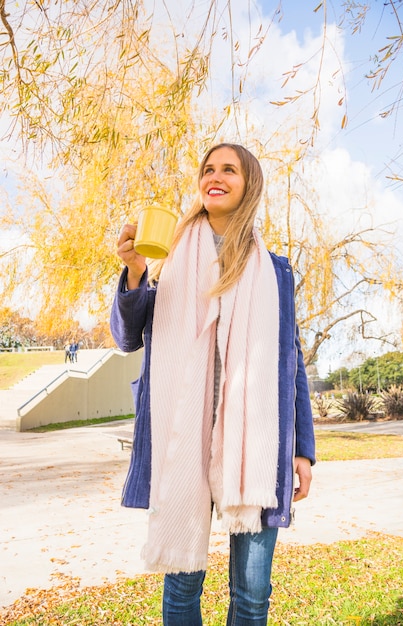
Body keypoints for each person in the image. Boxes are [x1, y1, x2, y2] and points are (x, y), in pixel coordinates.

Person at [110, 143, 316, 625]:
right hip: (186, 439)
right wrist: (136, 272)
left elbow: (293, 363)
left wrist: (302, 449)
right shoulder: (171, 259)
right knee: (182, 587)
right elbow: (127, 337)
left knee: (251, 593)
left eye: (230, 169)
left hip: (256, 447)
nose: (215, 176)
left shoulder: (275, 270)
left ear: (250, 185)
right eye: (208, 168)